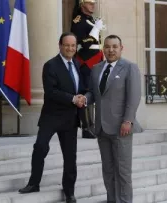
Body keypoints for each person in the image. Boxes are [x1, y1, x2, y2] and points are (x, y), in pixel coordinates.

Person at [18, 32, 85, 203]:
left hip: (70, 118)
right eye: (67, 45)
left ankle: (69, 191)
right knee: (40, 147)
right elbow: (51, 91)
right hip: (51, 116)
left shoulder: (78, 65)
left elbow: (83, 88)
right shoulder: (51, 65)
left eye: (73, 45)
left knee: (70, 157)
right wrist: (73, 99)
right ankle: (34, 183)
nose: (70, 48)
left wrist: (84, 98)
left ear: (76, 47)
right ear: (60, 45)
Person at [78, 35, 143, 203]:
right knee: (108, 170)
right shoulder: (96, 68)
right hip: (101, 128)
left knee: (123, 171)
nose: (111, 50)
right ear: (103, 49)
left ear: (121, 48)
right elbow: (94, 93)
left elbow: (133, 97)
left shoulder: (130, 68)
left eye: (114, 46)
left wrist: (128, 120)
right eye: (107, 47)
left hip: (122, 128)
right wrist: (85, 98)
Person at [70, 0, 105, 139]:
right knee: (86, 93)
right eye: (90, 3)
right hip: (86, 62)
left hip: (96, 60)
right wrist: (95, 30)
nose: (93, 5)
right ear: (82, 4)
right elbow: (82, 43)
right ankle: (86, 127)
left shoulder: (91, 19)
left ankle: (94, 125)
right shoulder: (78, 21)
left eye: (94, 3)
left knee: (96, 93)